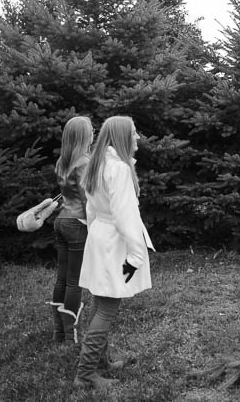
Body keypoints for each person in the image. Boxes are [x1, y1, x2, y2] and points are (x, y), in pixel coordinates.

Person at [75, 116, 154, 388]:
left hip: (100, 239)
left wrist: (96, 237)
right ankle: (85, 375)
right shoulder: (118, 169)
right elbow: (124, 217)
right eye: (133, 133)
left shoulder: (98, 165)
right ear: (121, 137)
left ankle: (101, 362)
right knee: (106, 308)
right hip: (114, 244)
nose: (137, 138)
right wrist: (135, 257)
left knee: (100, 304)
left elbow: (91, 211)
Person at [50, 116, 92, 344]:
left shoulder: (62, 161)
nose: (94, 133)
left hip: (61, 221)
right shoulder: (84, 161)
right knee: (75, 281)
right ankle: (71, 336)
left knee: (62, 279)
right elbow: (87, 199)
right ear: (84, 135)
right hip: (77, 223)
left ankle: (59, 333)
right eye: (91, 130)